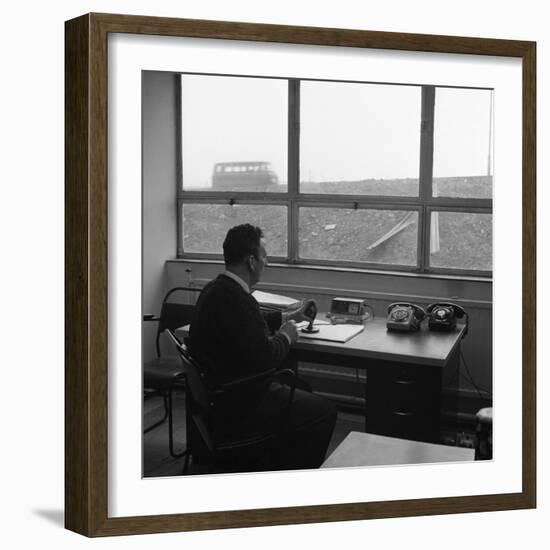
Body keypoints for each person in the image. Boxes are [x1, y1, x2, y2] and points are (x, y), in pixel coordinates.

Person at [189, 223, 337, 470]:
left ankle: (276, 460)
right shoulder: (238, 299)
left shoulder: (217, 289)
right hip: (241, 401)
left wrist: (286, 318)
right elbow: (267, 357)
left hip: (219, 394)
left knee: (302, 388)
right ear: (251, 261)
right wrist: (287, 336)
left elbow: (243, 327)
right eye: (264, 256)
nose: (266, 262)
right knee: (325, 411)